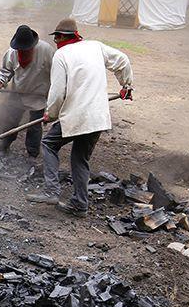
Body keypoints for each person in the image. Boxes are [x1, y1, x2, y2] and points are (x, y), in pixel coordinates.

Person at [26, 18, 133, 216]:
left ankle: (51, 191)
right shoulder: (95, 47)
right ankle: (80, 205)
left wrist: (51, 113)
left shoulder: (61, 55)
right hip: (98, 116)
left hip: (77, 115)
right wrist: (126, 86)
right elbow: (123, 60)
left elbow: (57, 91)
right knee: (79, 159)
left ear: (60, 37)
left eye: (56, 37)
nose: (56, 41)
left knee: (49, 144)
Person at [0, 25, 55, 160]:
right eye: (20, 49)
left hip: (38, 95)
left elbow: (56, 73)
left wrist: (52, 93)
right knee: (10, 121)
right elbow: (6, 70)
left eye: (26, 49)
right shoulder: (12, 52)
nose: (22, 51)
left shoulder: (46, 51)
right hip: (17, 94)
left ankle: (32, 154)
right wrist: (1, 82)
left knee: (34, 127)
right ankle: (3, 147)